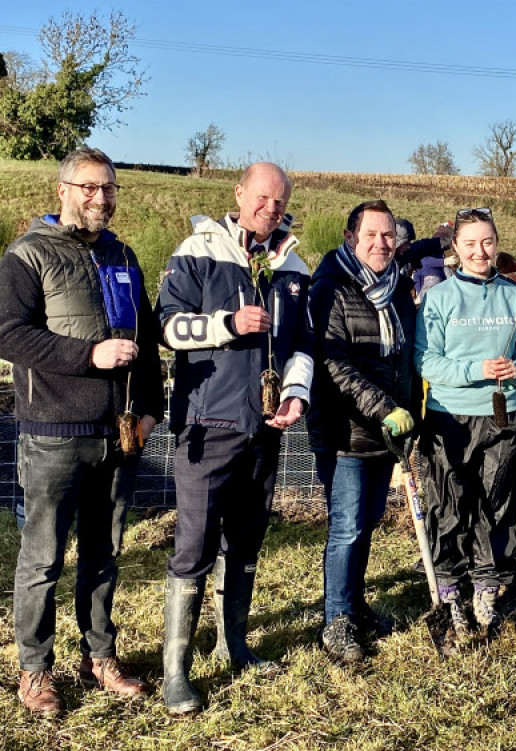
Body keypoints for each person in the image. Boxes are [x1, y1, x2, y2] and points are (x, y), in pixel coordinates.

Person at [0, 147, 163, 715]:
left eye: (110, 188)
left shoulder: (123, 254)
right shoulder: (28, 254)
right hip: (53, 433)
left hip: (117, 435)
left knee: (104, 553)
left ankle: (99, 657)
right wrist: (89, 354)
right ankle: (35, 669)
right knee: (42, 560)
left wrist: (149, 408)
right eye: (90, 187)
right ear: (63, 190)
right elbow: (9, 334)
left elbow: (146, 337)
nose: (101, 198)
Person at [156, 162, 313, 714]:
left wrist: (296, 394)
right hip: (208, 423)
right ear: (240, 193)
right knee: (194, 544)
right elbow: (168, 326)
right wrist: (226, 325)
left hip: (265, 427)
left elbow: (303, 344)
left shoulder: (292, 265)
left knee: (245, 540)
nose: (269, 209)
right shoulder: (199, 248)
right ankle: (175, 670)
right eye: (262, 198)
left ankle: (234, 644)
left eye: (279, 202)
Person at [414, 208, 516, 634]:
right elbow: (425, 359)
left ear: (497, 244)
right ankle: (448, 588)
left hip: (504, 414)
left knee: (497, 504)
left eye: (487, 242)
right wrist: (475, 371)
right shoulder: (439, 298)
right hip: (451, 416)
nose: (480, 251)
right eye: (470, 243)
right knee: (449, 502)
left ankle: (487, 587)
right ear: (456, 249)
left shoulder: (515, 297)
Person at [307, 199, 418, 664]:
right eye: (371, 235)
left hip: (385, 431)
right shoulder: (329, 287)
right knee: (347, 528)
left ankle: (353, 605)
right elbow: (334, 363)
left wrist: (410, 407)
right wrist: (385, 407)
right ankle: (335, 621)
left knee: (367, 523)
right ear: (351, 237)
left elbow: (406, 357)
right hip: (344, 430)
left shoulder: (398, 289)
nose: (381, 243)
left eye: (389, 235)